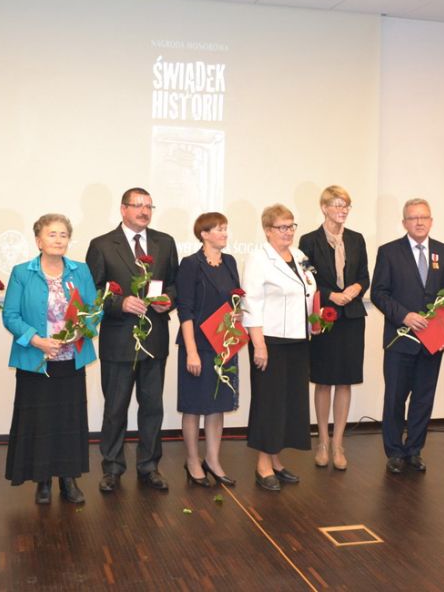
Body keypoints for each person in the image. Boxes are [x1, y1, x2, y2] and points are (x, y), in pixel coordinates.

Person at [85, 187, 179, 493]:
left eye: (148, 206)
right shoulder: (101, 245)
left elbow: (174, 284)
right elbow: (92, 292)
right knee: (115, 408)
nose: (144, 211)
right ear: (123, 209)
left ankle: (149, 466)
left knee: (152, 408)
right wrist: (120, 303)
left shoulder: (165, 242)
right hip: (118, 339)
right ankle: (112, 468)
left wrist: (169, 301)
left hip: (155, 338)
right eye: (137, 205)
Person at [2, 214, 96, 505]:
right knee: (39, 422)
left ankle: (69, 479)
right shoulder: (22, 272)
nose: (58, 240)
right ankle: (42, 480)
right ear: (38, 241)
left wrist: (79, 330)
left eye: (63, 235)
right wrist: (37, 340)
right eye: (52, 234)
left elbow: (95, 311)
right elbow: (10, 315)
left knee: (69, 420)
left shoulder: (80, 270)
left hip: (70, 358)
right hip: (35, 359)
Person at [371, 198, 444, 474]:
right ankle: (395, 452)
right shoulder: (389, 252)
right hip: (400, 339)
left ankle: (414, 450)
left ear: (431, 221)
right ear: (404, 222)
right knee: (395, 399)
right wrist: (404, 316)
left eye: (423, 217)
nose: (419, 222)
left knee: (423, 398)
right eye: (413, 218)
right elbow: (378, 293)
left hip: (433, 341)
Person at [242, 204, 317, 491]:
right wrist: (259, 345)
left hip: (298, 341)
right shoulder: (258, 258)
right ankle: (262, 466)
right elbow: (251, 303)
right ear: (267, 230)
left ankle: (276, 460)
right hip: (270, 342)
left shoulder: (299, 256)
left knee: (289, 403)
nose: (288, 232)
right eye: (281, 227)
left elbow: (309, 293)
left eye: (291, 226)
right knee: (270, 403)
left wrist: (316, 321)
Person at [298, 186, 369, 471]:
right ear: (324, 208)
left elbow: (364, 275)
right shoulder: (308, 240)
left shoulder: (356, 239)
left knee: (345, 381)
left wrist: (355, 288)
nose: (342, 210)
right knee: (323, 380)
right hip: (325, 317)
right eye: (337, 205)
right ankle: (323, 442)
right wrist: (331, 295)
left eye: (346, 205)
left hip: (352, 317)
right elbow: (306, 278)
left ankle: (339, 443)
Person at [175, 213, 241, 488]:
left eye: (226, 228)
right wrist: (191, 351)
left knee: (218, 405)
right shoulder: (191, 264)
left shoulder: (230, 262)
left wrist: (237, 315)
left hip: (224, 342)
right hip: (198, 345)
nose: (225, 233)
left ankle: (213, 460)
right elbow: (185, 310)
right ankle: (193, 461)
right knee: (194, 407)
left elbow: (235, 299)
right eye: (219, 229)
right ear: (203, 233)